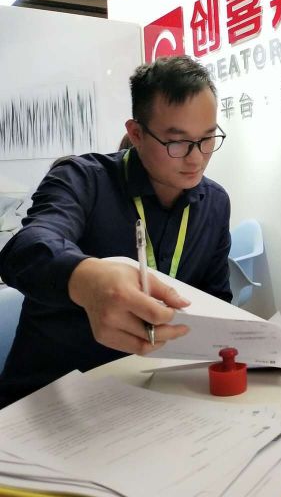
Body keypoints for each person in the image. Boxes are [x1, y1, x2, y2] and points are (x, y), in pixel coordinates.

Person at [0, 56, 232, 406]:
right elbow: (25, 249)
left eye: (208, 138)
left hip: (150, 393)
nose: (196, 158)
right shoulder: (82, 179)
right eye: (177, 142)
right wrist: (85, 279)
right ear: (136, 133)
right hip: (52, 397)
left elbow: (216, 302)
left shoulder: (214, 203)